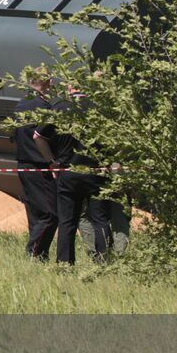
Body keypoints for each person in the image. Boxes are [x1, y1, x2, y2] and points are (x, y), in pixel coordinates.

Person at [47, 88, 108, 265]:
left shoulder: (59, 107)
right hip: (95, 171)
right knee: (100, 219)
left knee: (67, 222)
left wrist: (52, 160)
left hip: (68, 172)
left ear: (69, 88)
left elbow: (38, 136)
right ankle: (103, 262)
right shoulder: (99, 107)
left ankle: (65, 263)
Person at [11, 72, 59, 260]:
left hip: (23, 163)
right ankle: (34, 252)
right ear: (50, 82)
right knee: (50, 214)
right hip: (40, 165)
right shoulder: (44, 107)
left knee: (36, 214)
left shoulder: (21, 104)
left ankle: (39, 256)